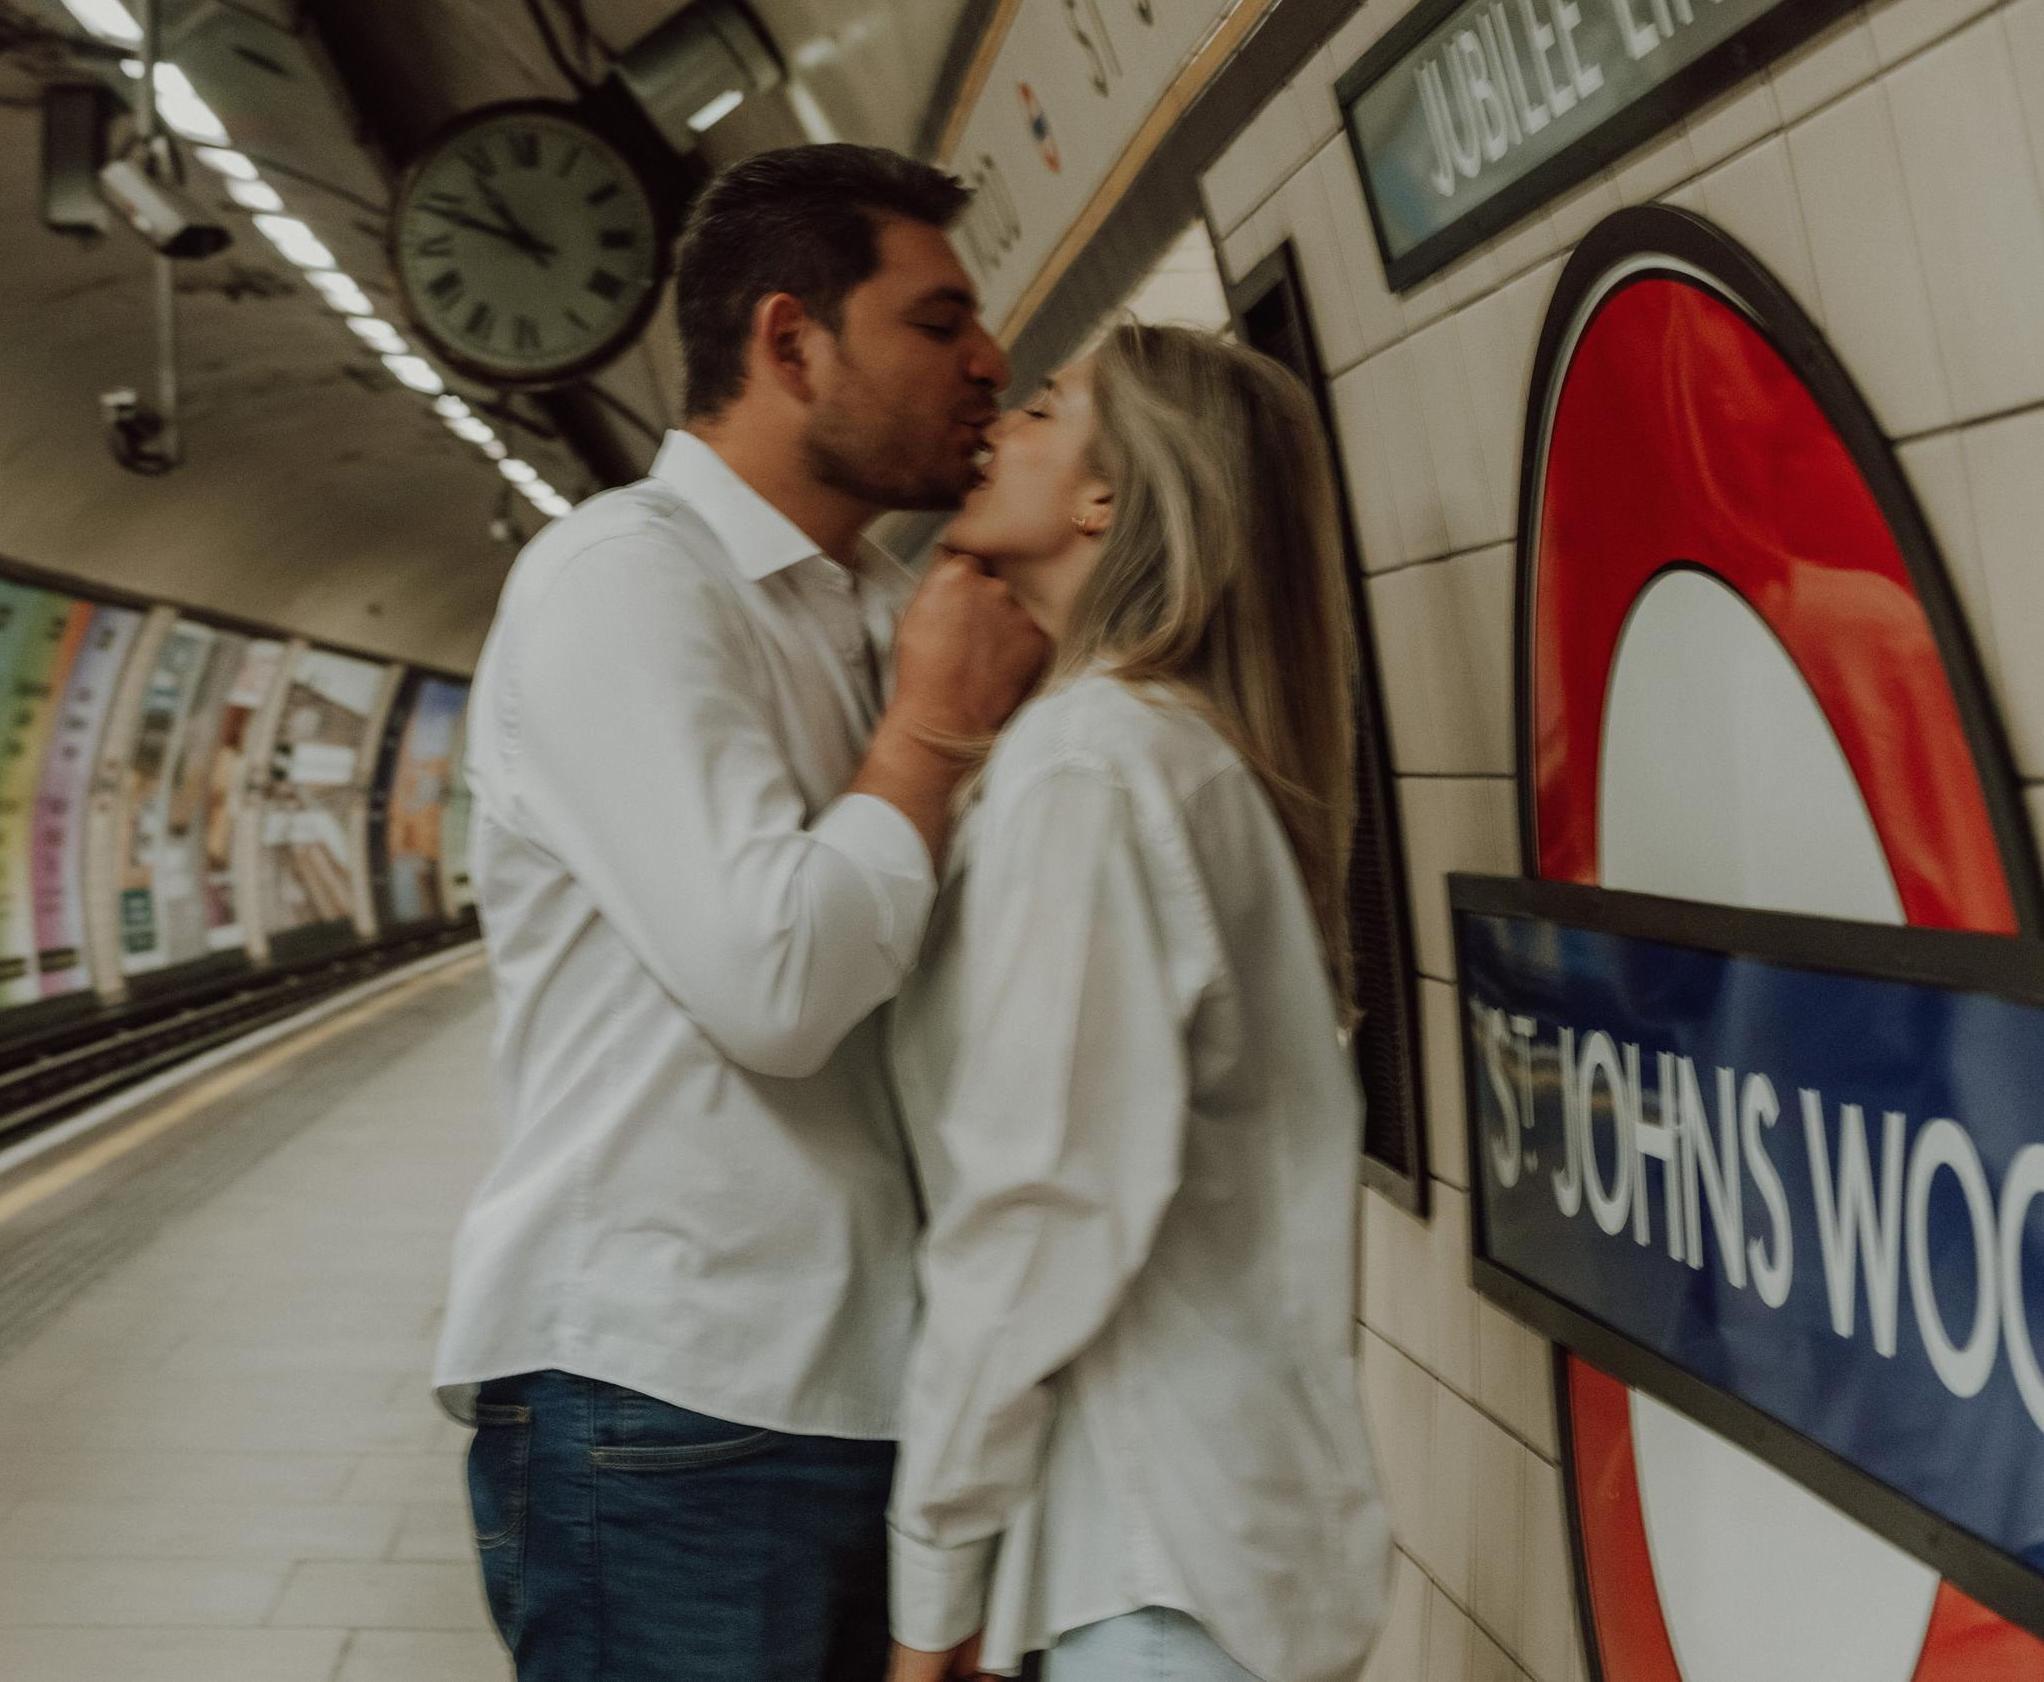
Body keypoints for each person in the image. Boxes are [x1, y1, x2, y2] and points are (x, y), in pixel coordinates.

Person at [430, 144, 1049, 1682]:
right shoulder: (626, 584)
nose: (990, 362)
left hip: (846, 1385)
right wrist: (930, 738)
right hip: (670, 1401)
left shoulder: (853, 606)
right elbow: (773, 986)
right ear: (791, 342)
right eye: (936, 320)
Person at [883, 325, 1391, 1682]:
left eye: (1045, 408)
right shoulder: (1183, 751)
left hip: (1152, 1565)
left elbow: (1039, 1199)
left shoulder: (1088, 766)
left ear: (1109, 496)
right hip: (1203, 1547)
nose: (1000, 426)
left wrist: (931, 1581)